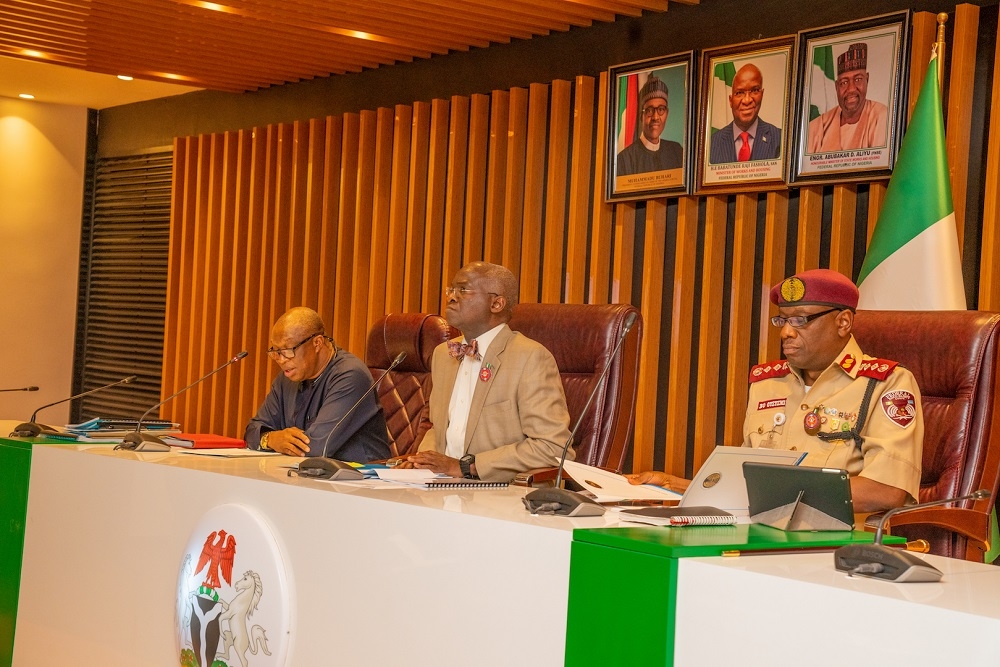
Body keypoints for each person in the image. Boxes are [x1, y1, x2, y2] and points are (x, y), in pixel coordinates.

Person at [630, 269, 923, 513]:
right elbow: (743, 482)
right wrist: (673, 486)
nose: (785, 332)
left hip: (839, 548)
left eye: (800, 320)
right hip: (759, 537)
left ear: (843, 322)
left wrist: (777, 491)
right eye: (782, 320)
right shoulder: (767, 383)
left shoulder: (885, 384)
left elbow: (886, 491)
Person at [400, 262, 573, 482]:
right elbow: (439, 428)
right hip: (440, 488)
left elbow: (553, 448)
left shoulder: (530, 357)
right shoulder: (443, 354)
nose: (452, 297)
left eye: (463, 290)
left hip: (500, 495)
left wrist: (467, 467)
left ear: (497, 303)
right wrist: (422, 461)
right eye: (451, 290)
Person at [245, 306, 391, 462]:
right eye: (275, 351)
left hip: (360, 479)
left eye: (287, 350)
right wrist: (271, 439)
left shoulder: (351, 375)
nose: (280, 360)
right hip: (307, 476)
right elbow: (253, 431)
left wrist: (279, 441)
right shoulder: (287, 377)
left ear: (317, 343)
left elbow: (315, 447)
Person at [807, 42, 889, 152]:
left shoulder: (881, 116)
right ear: (836, 86)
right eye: (844, 82)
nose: (851, 89)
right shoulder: (818, 127)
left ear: (867, 79)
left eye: (858, 79)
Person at [709, 63, 782, 164]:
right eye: (739, 93)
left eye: (754, 91)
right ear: (730, 100)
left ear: (762, 95)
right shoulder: (711, 144)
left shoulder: (780, 139)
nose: (747, 100)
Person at [616, 75, 684, 176]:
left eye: (661, 109)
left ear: (667, 113)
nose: (655, 117)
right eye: (649, 110)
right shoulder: (624, 160)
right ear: (641, 116)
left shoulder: (677, 152)